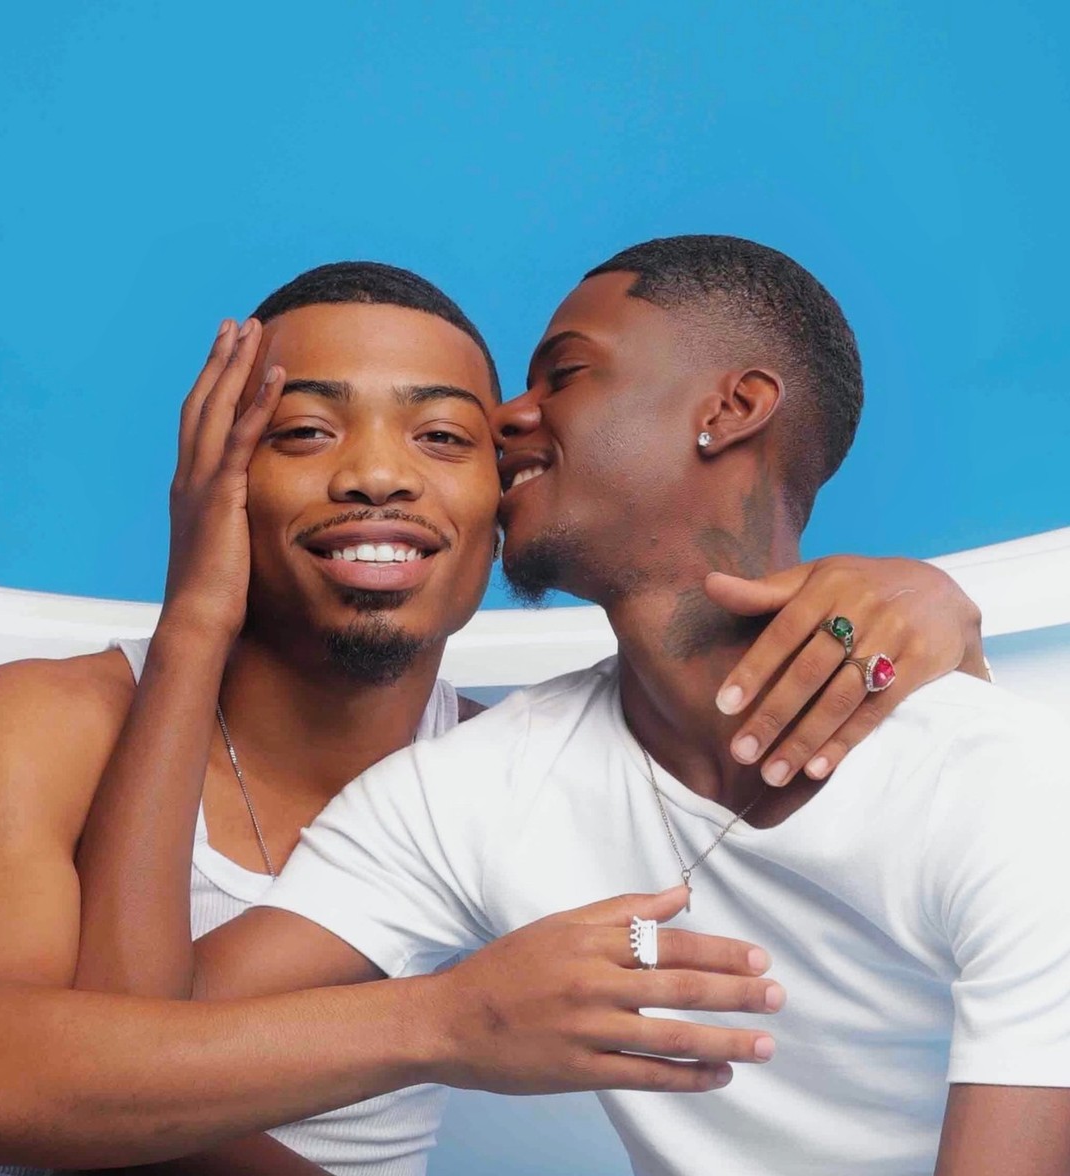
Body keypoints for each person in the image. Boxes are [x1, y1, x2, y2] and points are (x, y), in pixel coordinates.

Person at [77, 237, 1070, 1175]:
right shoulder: (473, 787)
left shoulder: (1001, 786)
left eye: (566, 373)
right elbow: (128, 1066)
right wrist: (198, 609)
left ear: (732, 408)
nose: (508, 418)